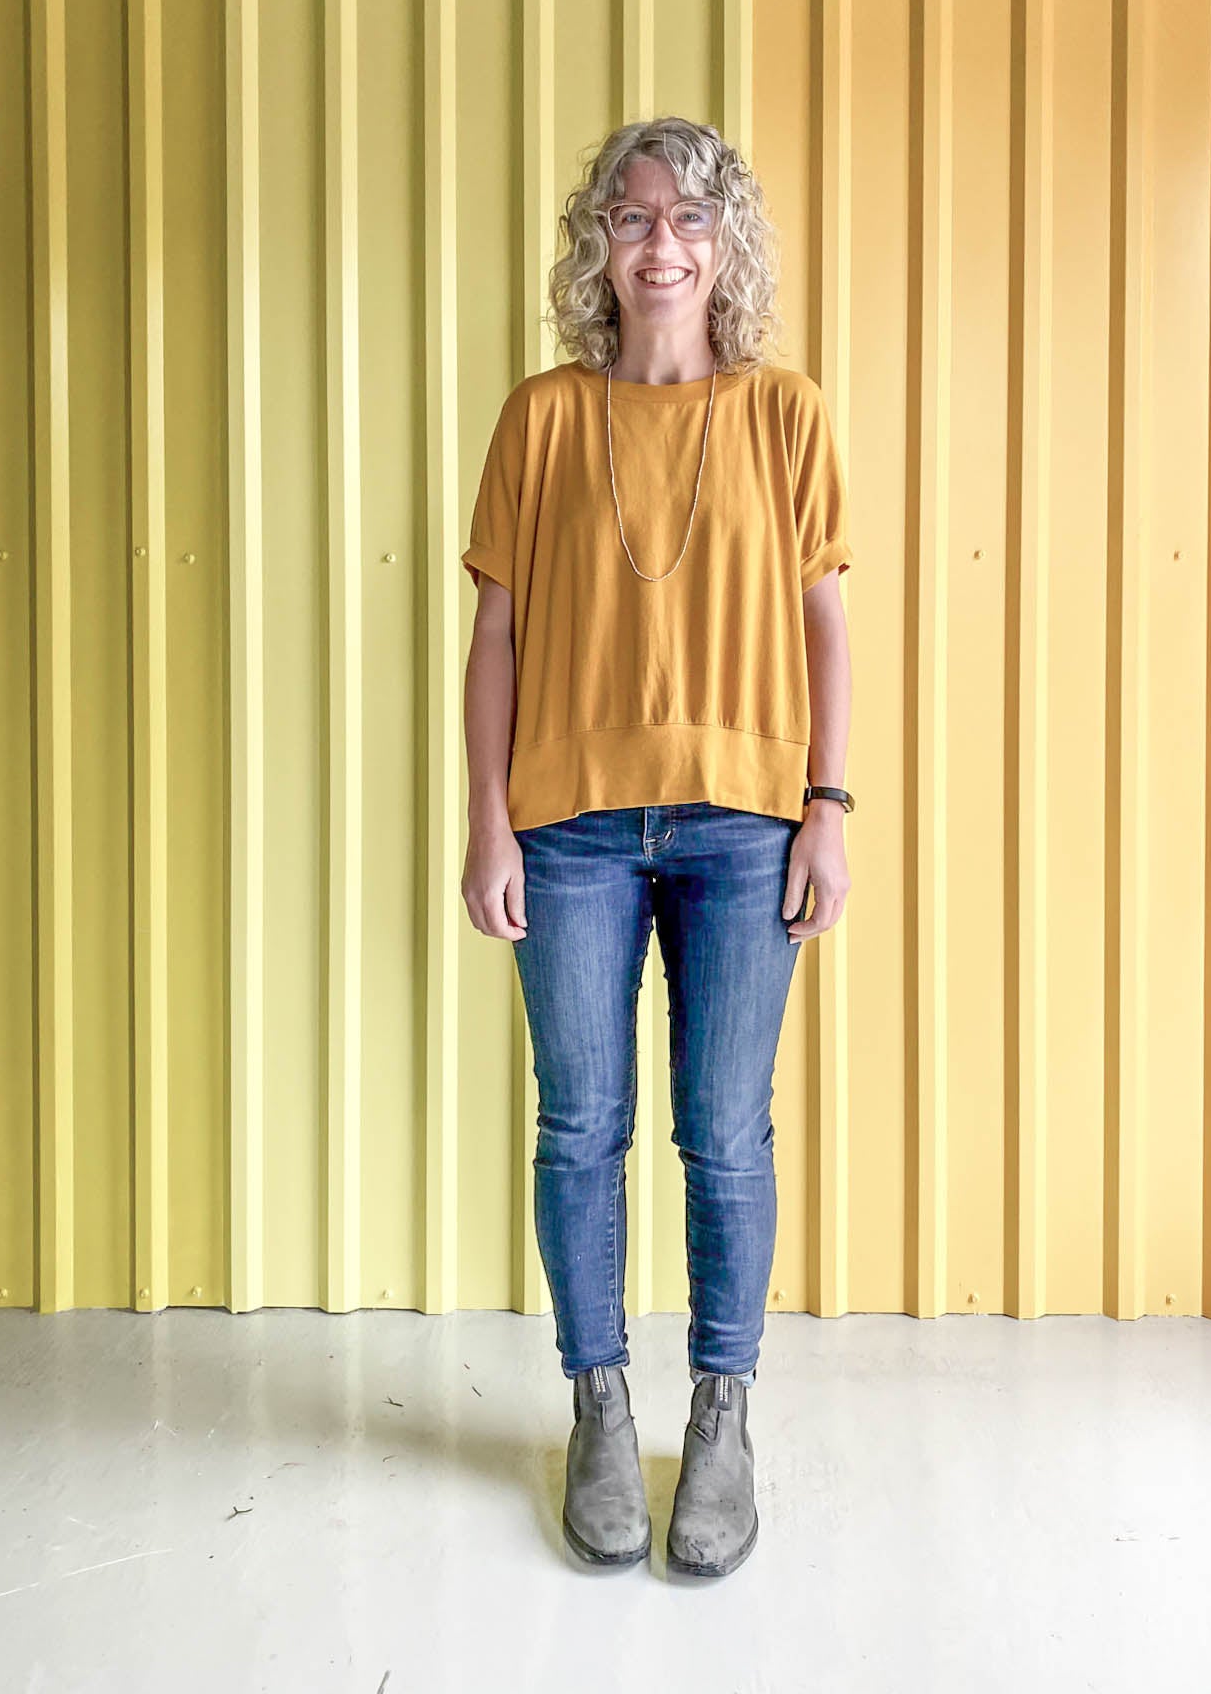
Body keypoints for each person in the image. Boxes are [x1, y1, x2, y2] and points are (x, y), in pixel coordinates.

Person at [459, 116, 854, 1577]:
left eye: (691, 217)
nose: (662, 243)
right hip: (567, 829)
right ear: (598, 247)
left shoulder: (784, 413)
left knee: (724, 1133)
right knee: (580, 1129)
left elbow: (822, 620)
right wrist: (490, 817)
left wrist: (829, 803)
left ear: (725, 242)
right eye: (633, 219)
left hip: (748, 826)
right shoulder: (543, 417)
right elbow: (497, 629)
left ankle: (726, 1417)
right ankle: (600, 1409)